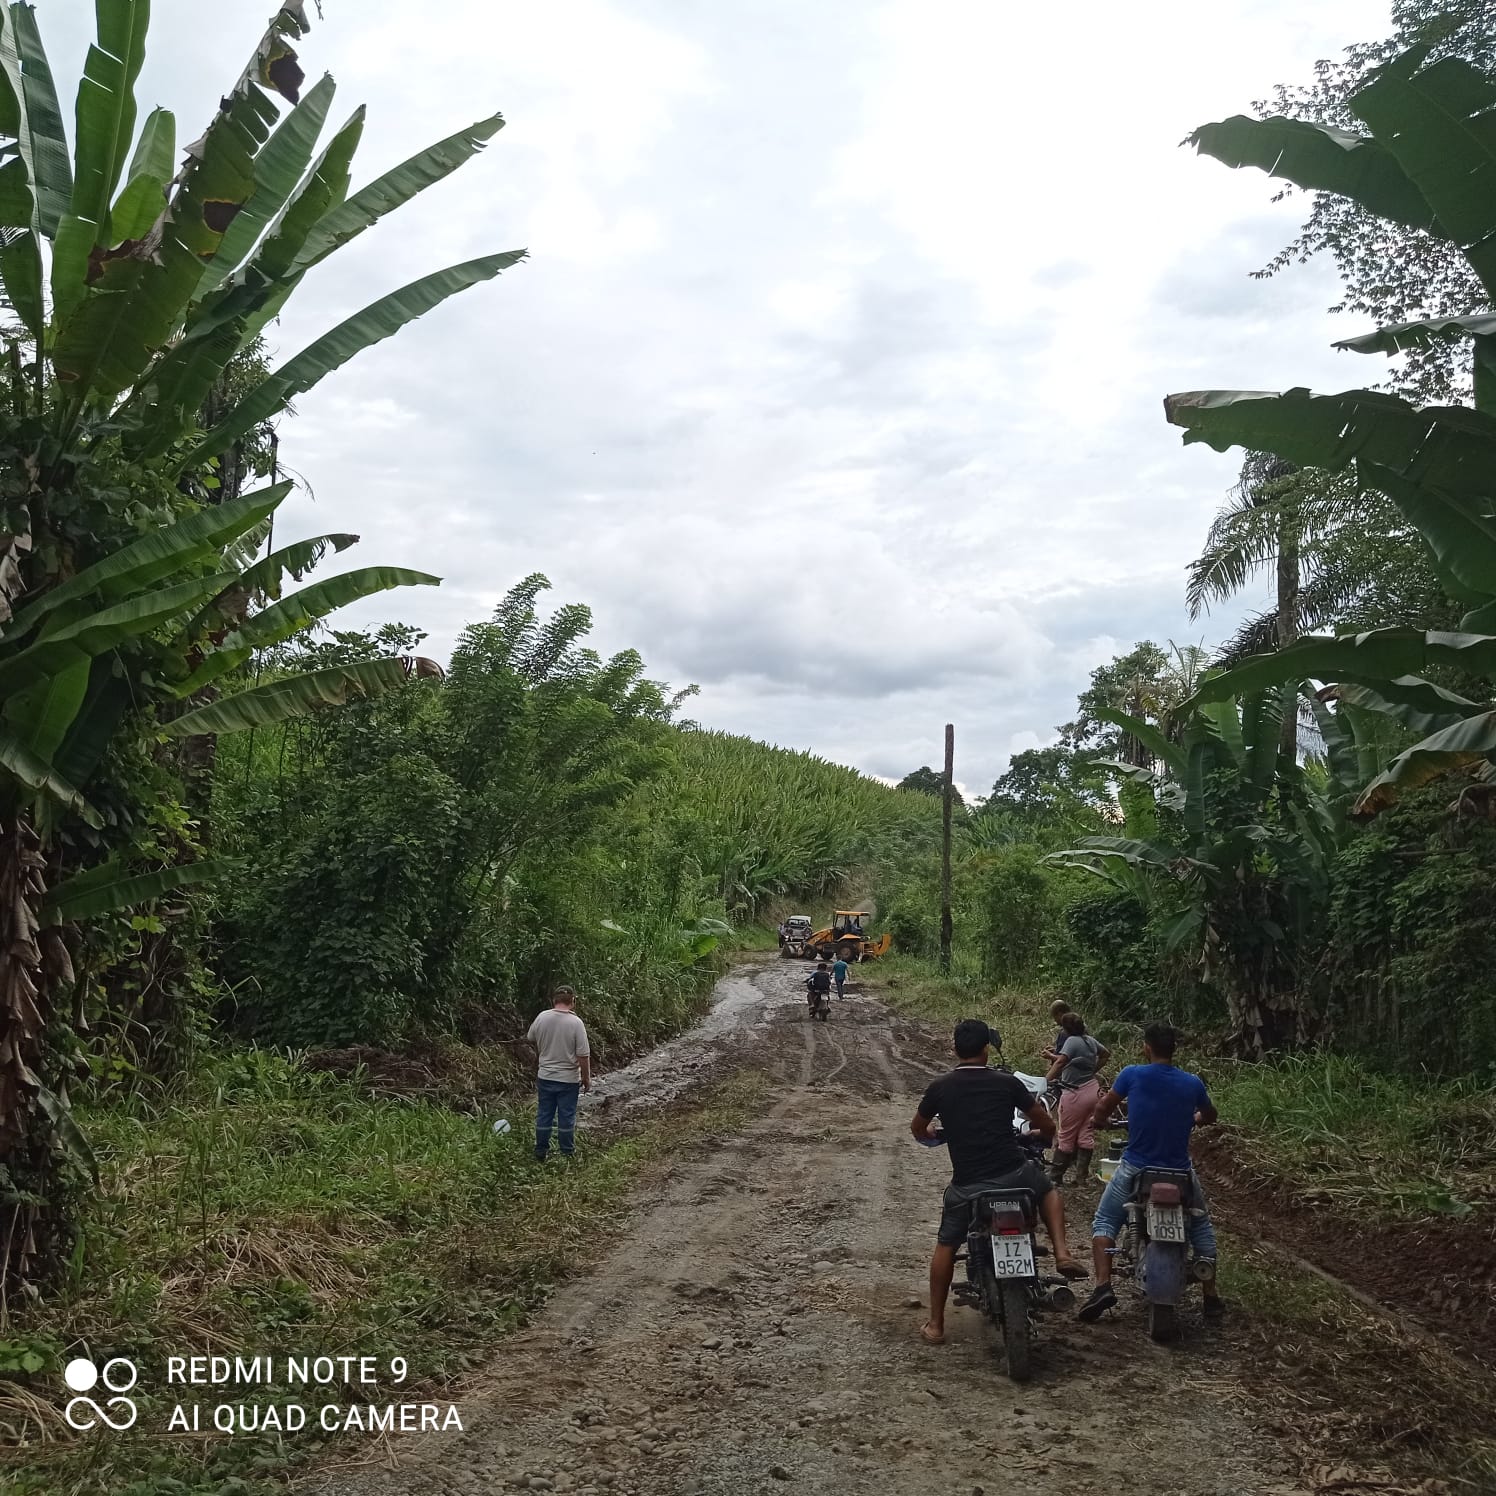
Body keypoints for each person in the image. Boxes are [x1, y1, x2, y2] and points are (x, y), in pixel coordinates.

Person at [912, 1019, 1086, 1345]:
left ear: (955, 1049)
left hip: (968, 1185)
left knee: (947, 1244)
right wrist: (1044, 1134)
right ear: (986, 1050)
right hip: (1014, 1174)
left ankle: (936, 1325)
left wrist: (933, 1132)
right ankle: (1062, 1253)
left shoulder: (940, 1087)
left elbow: (918, 1129)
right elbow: (1045, 1122)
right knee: (1048, 1191)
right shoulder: (1007, 1083)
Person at [1077, 1021, 1223, 1322]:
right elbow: (1210, 1114)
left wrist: (1101, 1122)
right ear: (1174, 1050)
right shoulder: (1193, 1082)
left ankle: (1102, 1286)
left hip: (1137, 1168)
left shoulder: (1132, 1074)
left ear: (1146, 1047)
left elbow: (1103, 1108)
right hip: (1179, 1172)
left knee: (1105, 1220)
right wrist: (1196, 1118)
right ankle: (1210, 1297)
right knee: (1201, 1227)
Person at [525, 985, 592, 1163]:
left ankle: (540, 1151)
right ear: (573, 1001)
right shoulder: (576, 1023)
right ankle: (567, 1153)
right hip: (568, 1080)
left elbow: (531, 1037)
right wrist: (586, 1078)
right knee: (566, 1116)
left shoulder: (542, 1017)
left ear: (553, 1000)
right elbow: (583, 1055)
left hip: (545, 1076)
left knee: (544, 1114)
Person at [1045, 1012, 1110, 1187]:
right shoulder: (1089, 1040)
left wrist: (1044, 1081)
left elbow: (1061, 1063)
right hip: (1092, 1090)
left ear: (1066, 1028)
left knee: (1066, 1135)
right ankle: (1081, 1177)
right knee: (1085, 1135)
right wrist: (1093, 1070)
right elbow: (1105, 1054)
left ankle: (1055, 1176)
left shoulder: (1071, 1041)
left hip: (1074, 1093)